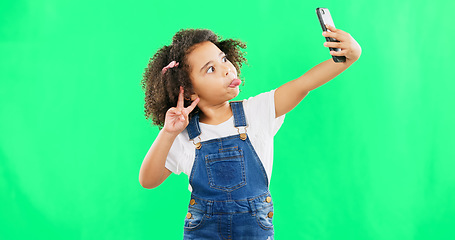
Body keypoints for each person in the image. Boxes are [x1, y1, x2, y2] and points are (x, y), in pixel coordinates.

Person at [139, 25, 361, 239]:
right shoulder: (184, 135)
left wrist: (349, 57)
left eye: (224, 59)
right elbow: (147, 180)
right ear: (187, 90)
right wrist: (168, 133)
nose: (227, 68)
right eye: (211, 69)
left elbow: (304, 84)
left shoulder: (258, 111)